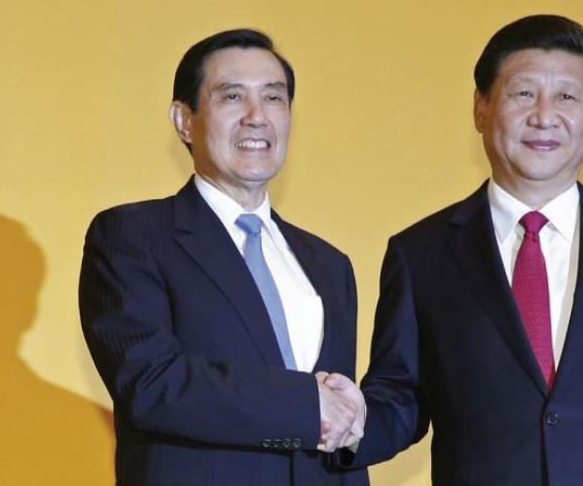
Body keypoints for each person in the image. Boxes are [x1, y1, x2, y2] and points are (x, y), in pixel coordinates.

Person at [330, 14, 583, 485]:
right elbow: (402, 399)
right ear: (481, 108)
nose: (545, 116)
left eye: (566, 96)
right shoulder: (420, 254)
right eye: (523, 94)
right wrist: (349, 422)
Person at [79, 29, 368, 486]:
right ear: (184, 120)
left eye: (274, 98)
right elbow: (152, 384)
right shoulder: (133, 236)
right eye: (233, 97)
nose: (257, 117)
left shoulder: (330, 266)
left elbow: (337, 424)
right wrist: (305, 404)